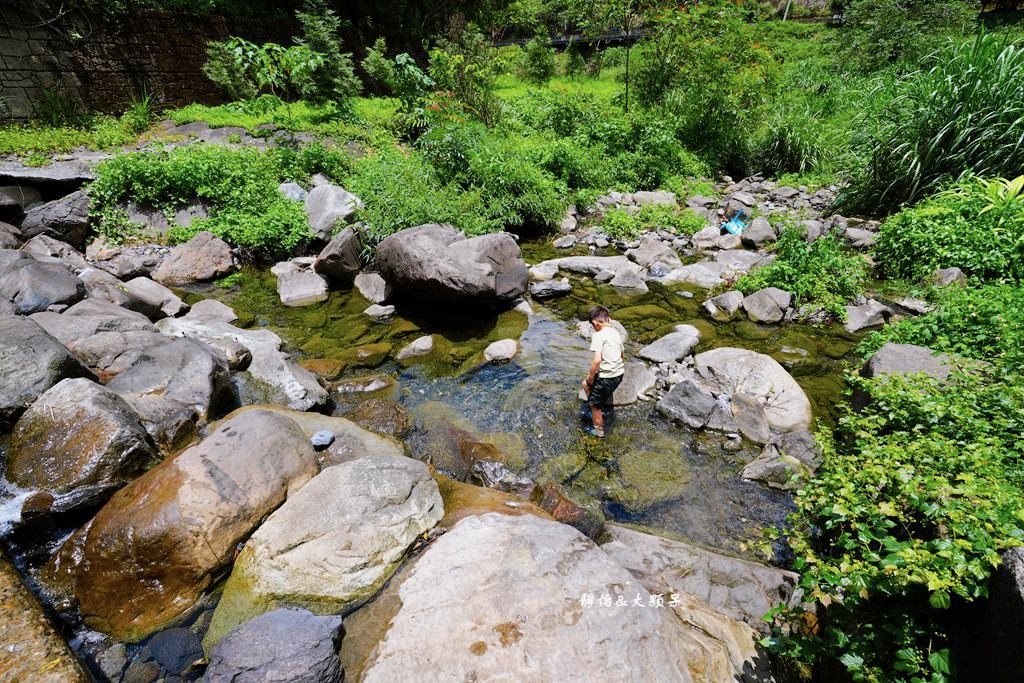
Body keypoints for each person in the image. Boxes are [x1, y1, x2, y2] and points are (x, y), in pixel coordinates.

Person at [580, 305, 624, 438]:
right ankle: (597, 402)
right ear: (608, 320)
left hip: (608, 377)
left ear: (594, 323)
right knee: (585, 384)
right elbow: (622, 354)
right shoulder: (615, 333)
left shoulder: (598, 335)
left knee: (594, 403)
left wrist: (592, 377)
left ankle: (599, 430)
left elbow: (597, 360)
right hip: (619, 374)